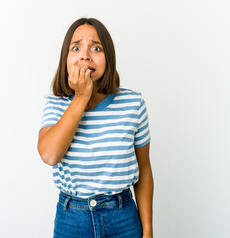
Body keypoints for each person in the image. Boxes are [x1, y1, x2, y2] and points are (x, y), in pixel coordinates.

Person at [37, 17, 154, 238]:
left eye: (96, 48)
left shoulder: (133, 103)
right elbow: (50, 154)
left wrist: (147, 230)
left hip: (123, 219)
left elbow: (144, 170)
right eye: (76, 47)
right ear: (66, 59)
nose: (85, 54)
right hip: (72, 220)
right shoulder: (55, 104)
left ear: (108, 58)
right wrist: (81, 97)